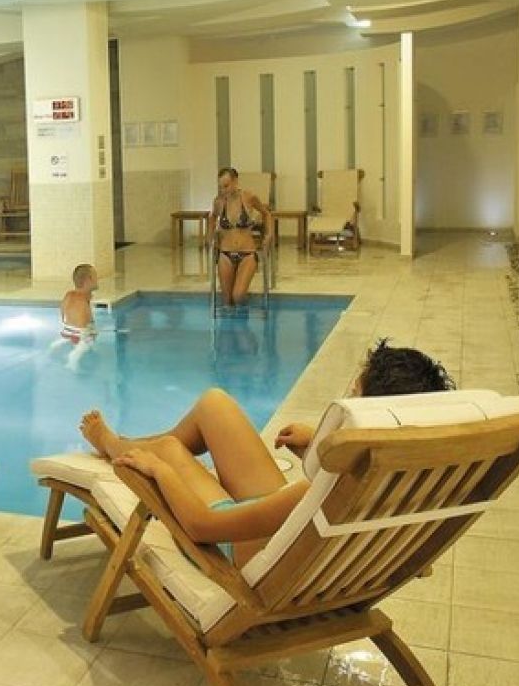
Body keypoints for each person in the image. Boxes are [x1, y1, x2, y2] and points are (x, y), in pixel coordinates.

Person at [79, 341, 453, 566]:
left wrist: (160, 470)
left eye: (354, 395)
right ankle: (128, 442)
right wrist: (316, 444)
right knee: (214, 404)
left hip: (237, 548)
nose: (346, 401)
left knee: (168, 450)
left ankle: (113, 445)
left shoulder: (326, 488)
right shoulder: (410, 478)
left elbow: (201, 526)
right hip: (279, 532)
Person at [211, 167, 271, 308]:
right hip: (225, 254)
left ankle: (243, 297)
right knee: (227, 301)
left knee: (237, 296)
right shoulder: (219, 202)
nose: (223, 190)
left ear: (235, 182)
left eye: (226, 186)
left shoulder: (249, 197)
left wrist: (269, 234)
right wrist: (211, 238)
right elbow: (212, 217)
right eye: (221, 187)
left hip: (247, 254)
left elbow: (266, 213)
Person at [60, 263, 98, 345]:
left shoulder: (68, 296)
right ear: (89, 280)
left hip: (66, 333)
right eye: (95, 276)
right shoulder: (84, 300)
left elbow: (63, 319)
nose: (97, 280)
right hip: (81, 337)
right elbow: (84, 330)